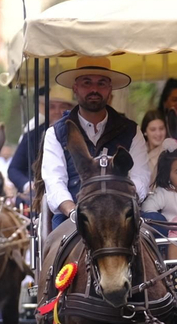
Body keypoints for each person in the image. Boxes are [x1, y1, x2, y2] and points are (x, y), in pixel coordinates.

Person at [41, 56, 149, 223]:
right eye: (87, 83)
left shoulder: (131, 131)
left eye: (101, 83)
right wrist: (73, 212)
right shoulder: (55, 133)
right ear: (75, 88)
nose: (94, 89)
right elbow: (55, 181)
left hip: (123, 215)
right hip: (73, 216)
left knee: (157, 228)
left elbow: (141, 177)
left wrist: (121, 204)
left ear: (110, 89)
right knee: (58, 238)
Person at [8, 86, 74, 196]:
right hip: (36, 196)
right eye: (52, 107)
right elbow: (14, 169)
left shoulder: (78, 135)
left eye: (63, 107)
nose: (57, 111)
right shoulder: (32, 135)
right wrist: (28, 185)